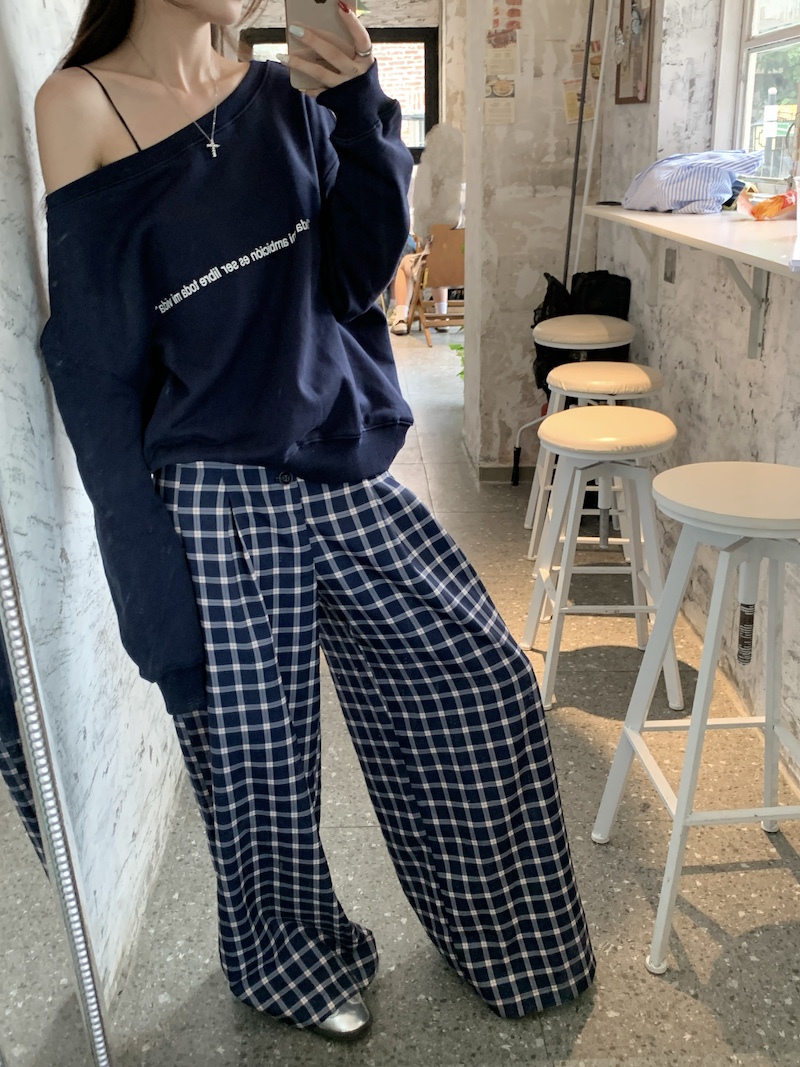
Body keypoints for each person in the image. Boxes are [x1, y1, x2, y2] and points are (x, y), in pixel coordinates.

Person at [34, 0, 595, 1043]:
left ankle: (511, 937)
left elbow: (354, 275)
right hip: (212, 490)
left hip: (338, 457)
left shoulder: (287, 90)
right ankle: (290, 963)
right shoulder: (80, 103)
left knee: (485, 684)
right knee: (258, 764)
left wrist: (360, 106)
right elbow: (96, 361)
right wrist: (141, 568)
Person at [388, 242, 448, 336]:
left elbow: (422, 236)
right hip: (463, 270)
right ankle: (442, 316)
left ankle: (401, 319)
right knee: (440, 261)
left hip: (432, 267)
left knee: (404, 262)